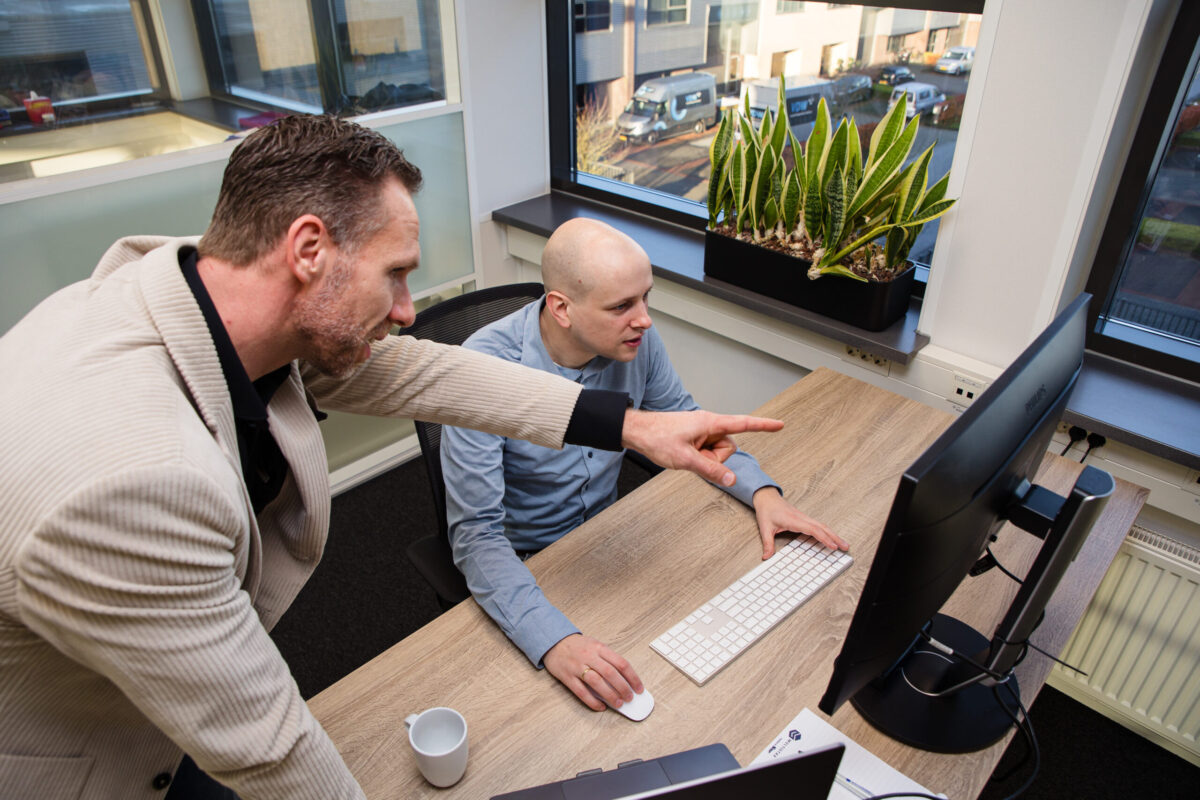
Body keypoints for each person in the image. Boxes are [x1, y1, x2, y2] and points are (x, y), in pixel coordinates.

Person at [0, 116, 786, 800]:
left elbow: (417, 368)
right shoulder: (132, 482)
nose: (411, 312)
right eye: (396, 276)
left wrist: (628, 427)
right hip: (93, 759)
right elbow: (268, 742)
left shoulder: (199, 285)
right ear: (308, 248)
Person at [441, 218, 848, 715]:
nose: (645, 320)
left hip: (613, 539)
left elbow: (691, 426)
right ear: (561, 309)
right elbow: (477, 535)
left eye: (645, 299)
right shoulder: (482, 371)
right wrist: (553, 642)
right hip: (532, 562)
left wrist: (766, 495)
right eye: (622, 307)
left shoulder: (634, 341)